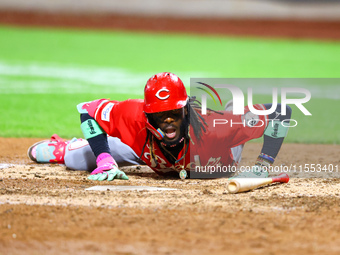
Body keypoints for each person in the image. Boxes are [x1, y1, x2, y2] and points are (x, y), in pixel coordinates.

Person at [27, 72, 292, 180]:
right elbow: (87, 110)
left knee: (229, 135)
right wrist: (105, 157)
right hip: (147, 149)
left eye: (174, 112)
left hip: (217, 156)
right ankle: (64, 147)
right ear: (147, 114)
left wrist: (262, 165)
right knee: (76, 159)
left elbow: (282, 110)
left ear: (185, 109)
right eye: (159, 114)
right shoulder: (134, 117)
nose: (167, 119)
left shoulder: (217, 128)